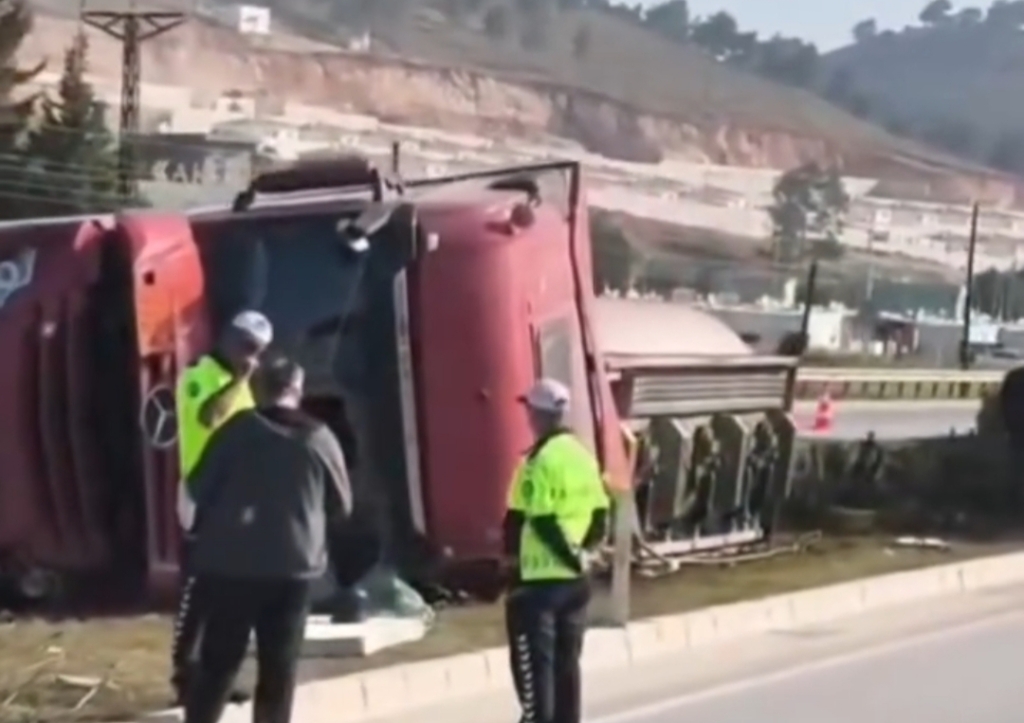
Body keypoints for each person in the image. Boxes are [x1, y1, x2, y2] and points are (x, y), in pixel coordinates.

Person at [183, 355, 354, 723]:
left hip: (231, 566)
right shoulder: (320, 437)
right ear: (297, 389)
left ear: (258, 390)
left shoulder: (235, 431)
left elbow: (197, 488)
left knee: (218, 665)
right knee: (279, 669)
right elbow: (341, 505)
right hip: (294, 569)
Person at [171, 310, 274, 705]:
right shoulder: (201, 375)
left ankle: (217, 674)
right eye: (247, 347)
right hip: (203, 492)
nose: (251, 357)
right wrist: (242, 380)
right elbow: (209, 416)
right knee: (197, 589)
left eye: (259, 352)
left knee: (229, 591)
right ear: (229, 339)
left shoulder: (241, 386)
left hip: (236, 499)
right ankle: (184, 673)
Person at [502, 378, 610, 723]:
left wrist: (568, 557)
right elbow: (600, 514)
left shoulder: (538, 463)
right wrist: (586, 555)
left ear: (538, 415)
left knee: (537, 678)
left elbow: (538, 521)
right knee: (567, 671)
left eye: (530, 411)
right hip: (575, 587)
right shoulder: (583, 457)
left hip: (538, 584)